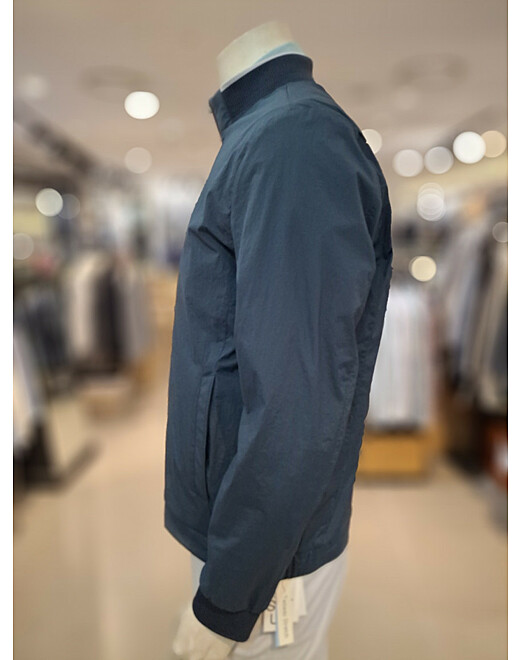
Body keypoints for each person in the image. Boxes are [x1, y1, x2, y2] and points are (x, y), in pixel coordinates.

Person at [165, 20, 393, 660]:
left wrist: (228, 596)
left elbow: (296, 402)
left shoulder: (293, 141)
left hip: (266, 557)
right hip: (248, 534)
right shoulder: (271, 136)